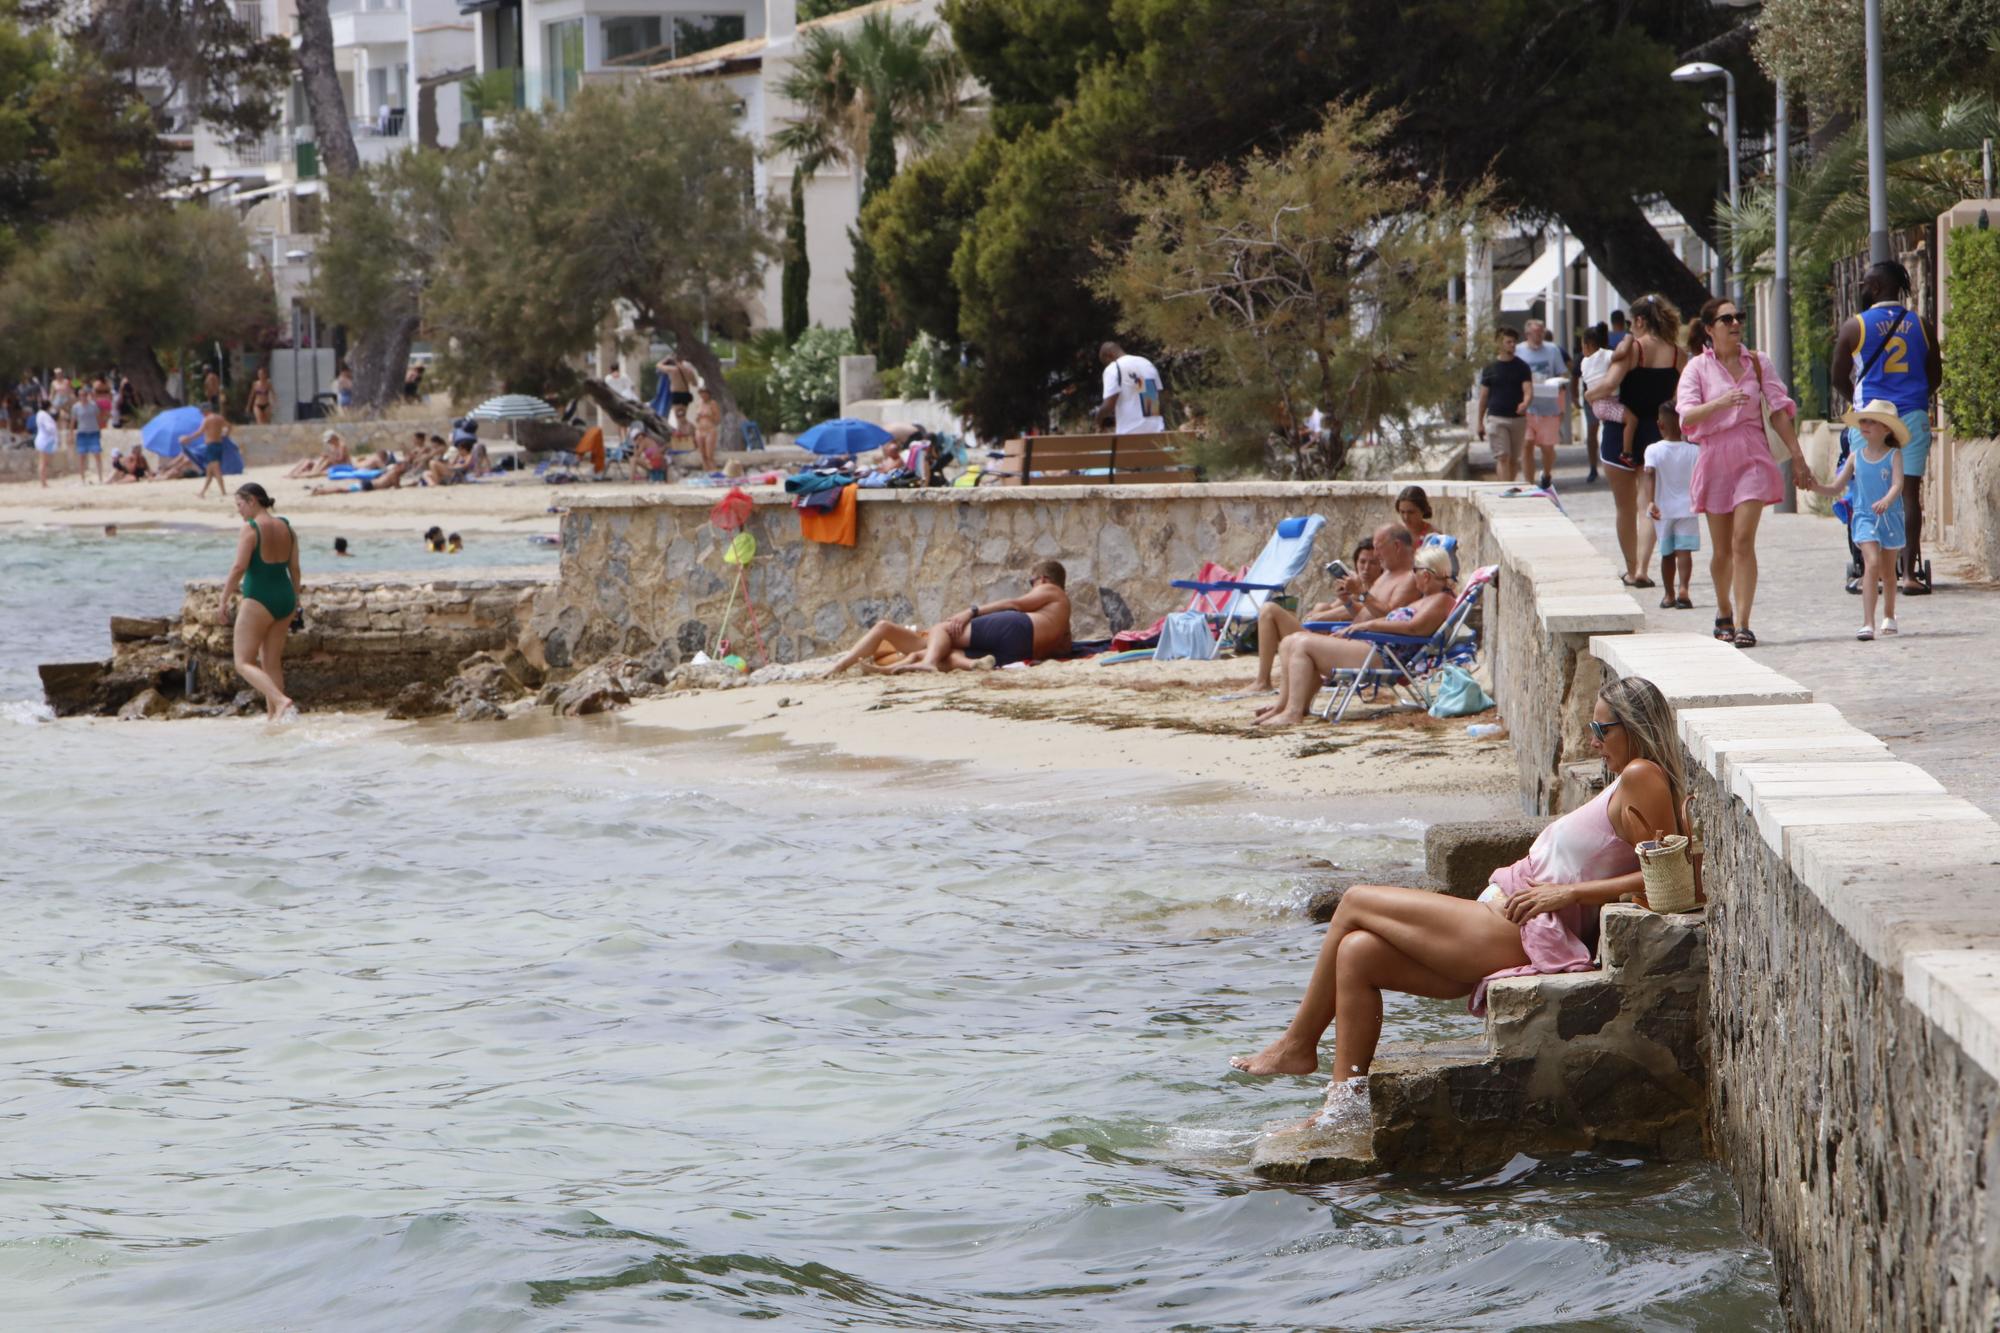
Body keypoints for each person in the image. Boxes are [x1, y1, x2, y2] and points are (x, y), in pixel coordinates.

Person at [1232, 676, 1686, 1116]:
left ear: (1636, 727)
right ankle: (1342, 1106)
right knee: (1357, 953)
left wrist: (1568, 894)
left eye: (1600, 729)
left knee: (1353, 901)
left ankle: (1297, 1045)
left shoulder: (1642, 775)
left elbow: (1670, 879)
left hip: (1521, 929)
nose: (1591, 741)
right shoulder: (1627, 777)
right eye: (1591, 728)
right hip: (1504, 918)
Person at [1677, 296, 1815, 649]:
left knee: (1742, 541)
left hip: (1752, 454)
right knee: (1721, 550)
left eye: (1739, 316)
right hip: (1714, 457)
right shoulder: (1697, 368)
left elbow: (1779, 411)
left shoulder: (1757, 362)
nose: (1736, 323)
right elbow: (1686, 416)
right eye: (1727, 319)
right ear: (1710, 329)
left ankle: (1743, 622)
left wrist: (1798, 457)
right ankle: (1722, 610)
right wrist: (1720, 403)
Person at [1251, 545, 1458, 728]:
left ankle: (1293, 712)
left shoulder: (1441, 600)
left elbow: (1414, 629)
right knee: (1289, 641)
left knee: (1302, 644)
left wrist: (1370, 624)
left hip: (1382, 655)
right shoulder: (1428, 599)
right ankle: (1283, 707)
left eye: (1415, 571)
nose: (1413, 576)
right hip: (1373, 647)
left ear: (1426, 575)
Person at [1830, 260, 1940, 596]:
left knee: (1866, 493)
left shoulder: (1855, 326)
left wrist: (1862, 408)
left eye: (1865, 283)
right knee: (1908, 493)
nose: (1861, 287)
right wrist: (1914, 397)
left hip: (1871, 421)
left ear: (1876, 288)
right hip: (1911, 416)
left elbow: (1837, 376)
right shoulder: (1921, 325)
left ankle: (1872, 568)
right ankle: (1908, 573)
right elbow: (1935, 376)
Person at [1588, 295, 1686, 589]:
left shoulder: (1635, 350)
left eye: (1632, 322)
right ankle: (1644, 567)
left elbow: (1607, 384)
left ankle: (1631, 569)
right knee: (1648, 503)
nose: (1631, 327)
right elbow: (1680, 398)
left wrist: (1589, 396)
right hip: (1656, 433)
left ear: (1641, 321)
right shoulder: (1676, 354)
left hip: (1621, 431)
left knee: (1624, 507)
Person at [827, 561, 1073, 674]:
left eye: (1031, 582)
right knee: (943, 649)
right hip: (1017, 650)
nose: (1032, 586)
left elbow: (1013, 604)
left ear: (1042, 579)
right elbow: (1064, 648)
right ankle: (927, 663)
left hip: (1018, 630)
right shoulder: (1062, 621)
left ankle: (926, 662)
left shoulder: (1052, 590)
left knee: (942, 629)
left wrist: (971, 611)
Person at [1812, 400, 1908, 640]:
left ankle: (1889, 614)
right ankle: (1868, 623)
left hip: (1890, 518)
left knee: (1888, 573)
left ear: (1886, 429)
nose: (1865, 425)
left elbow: (1898, 483)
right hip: (1864, 516)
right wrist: (1815, 486)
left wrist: (1887, 499)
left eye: (1872, 421)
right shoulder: (1855, 457)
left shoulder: (1894, 455)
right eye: (1863, 421)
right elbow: (1836, 487)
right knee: (1871, 563)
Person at [1246, 535, 1390, 692]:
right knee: (1272, 609)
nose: (1366, 567)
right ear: (1355, 563)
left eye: (1373, 563)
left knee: (1277, 611)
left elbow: (1367, 610)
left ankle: (1273, 681)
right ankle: (1263, 680)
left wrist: (1321, 616)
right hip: (1334, 643)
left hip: (1348, 649)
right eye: (1362, 562)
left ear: (1381, 565)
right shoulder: (1356, 587)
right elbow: (1340, 607)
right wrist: (1339, 602)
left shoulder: (1378, 589)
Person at [218, 482, 300, 721]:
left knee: (242, 662)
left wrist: (223, 600)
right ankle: (275, 720)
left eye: (240, 505)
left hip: (259, 599)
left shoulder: (251, 528)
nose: (239, 511)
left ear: (252, 500)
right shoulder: (287, 527)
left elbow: (238, 567)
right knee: (271, 662)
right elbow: (295, 569)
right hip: (285, 597)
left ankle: (280, 700)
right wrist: (295, 600)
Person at [1642, 403, 1699, 611]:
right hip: (1688, 507)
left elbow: (1649, 474)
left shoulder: (1653, 450)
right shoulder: (1694, 451)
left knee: (1667, 553)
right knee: (1684, 551)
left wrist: (1650, 501)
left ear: (1660, 424)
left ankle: (1669, 594)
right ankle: (1684, 589)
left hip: (1662, 510)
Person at [1515, 318, 1569, 491]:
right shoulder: (1518, 351)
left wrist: (1562, 408)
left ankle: (1546, 473)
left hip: (1549, 407)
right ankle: (1529, 484)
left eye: (1541, 332)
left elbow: (1562, 376)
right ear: (1527, 334)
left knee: (1547, 448)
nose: (1538, 336)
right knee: (1527, 445)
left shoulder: (1552, 350)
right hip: (1527, 407)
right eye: (1535, 333)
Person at [1474, 326, 1533, 482]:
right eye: (1508, 342)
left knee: (1514, 459)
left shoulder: (1522, 367)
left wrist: (1525, 403)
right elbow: (1484, 397)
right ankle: (1503, 489)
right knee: (1503, 457)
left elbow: (1528, 390)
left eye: (1514, 342)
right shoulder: (1490, 368)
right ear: (1499, 344)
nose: (1512, 345)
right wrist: (1479, 422)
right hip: (1496, 418)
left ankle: (1509, 487)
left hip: (1518, 419)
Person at [1577, 323, 1617, 486]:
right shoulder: (1611, 355)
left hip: (1593, 401)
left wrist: (1586, 395)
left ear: (1587, 345)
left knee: (1593, 433)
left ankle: (1596, 465)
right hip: (1607, 399)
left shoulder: (1585, 360)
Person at [1097, 341, 1165, 435]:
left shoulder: (1114, 368)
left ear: (1109, 355)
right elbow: (1157, 402)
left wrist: (1098, 422)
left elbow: (1109, 405)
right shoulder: (1146, 363)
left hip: (1129, 433)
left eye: (1106, 363)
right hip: (1156, 431)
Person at [177, 402, 232, 499]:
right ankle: (202, 492)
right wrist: (225, 435)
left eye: (202, 411)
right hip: (218, 445)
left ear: (206, 411)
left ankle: (223, 492)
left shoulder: (207, 419)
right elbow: (229, 426)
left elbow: (199, 432)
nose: (201, 413)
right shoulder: (219, 418)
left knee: (216, 469)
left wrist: (187, 438)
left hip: (211, 446)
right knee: (209, 471)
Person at [71, 384, 103, 484]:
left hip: (93, 432)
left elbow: (98, 418)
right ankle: (82, 479)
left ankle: (100, 478)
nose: (83, 397)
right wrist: (71, 434)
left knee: (97, 454)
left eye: (84, 394)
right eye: (81, 395)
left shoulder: (93, 405)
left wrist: (100, 430)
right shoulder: (75, 407)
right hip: (82, 433)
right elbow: (73, 421)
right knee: (81, 456)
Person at [693, 386, 722, 471]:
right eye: (701, 393)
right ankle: (706, 472)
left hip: (709, 429)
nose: (703, 395)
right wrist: (698, 417)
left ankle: (713, 471)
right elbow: (696, 419)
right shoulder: (698, 403)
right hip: (700, 430)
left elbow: (717, 419)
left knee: (709, 455)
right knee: (702, 455)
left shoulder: (712, 403)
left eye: (705, 393)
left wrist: (709, 415)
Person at [31, 402, 59, 488]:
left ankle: (43, 481)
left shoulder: (40, 414)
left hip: (43, 440)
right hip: (45, 441)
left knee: (43, 462)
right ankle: (43, 482)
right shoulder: (43, 415)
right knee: (43, 462)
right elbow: (49, 428)